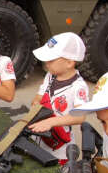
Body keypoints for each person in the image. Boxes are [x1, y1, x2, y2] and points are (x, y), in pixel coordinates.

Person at [28, 32, 89, 161]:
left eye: (50, 60)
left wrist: (51, 122)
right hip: (40, 135)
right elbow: (39, 96)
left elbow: (80, 116)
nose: (46, 63)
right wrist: (36, 103)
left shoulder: (78, 87)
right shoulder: (50, 76)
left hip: (60, 146)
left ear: (69, 62)